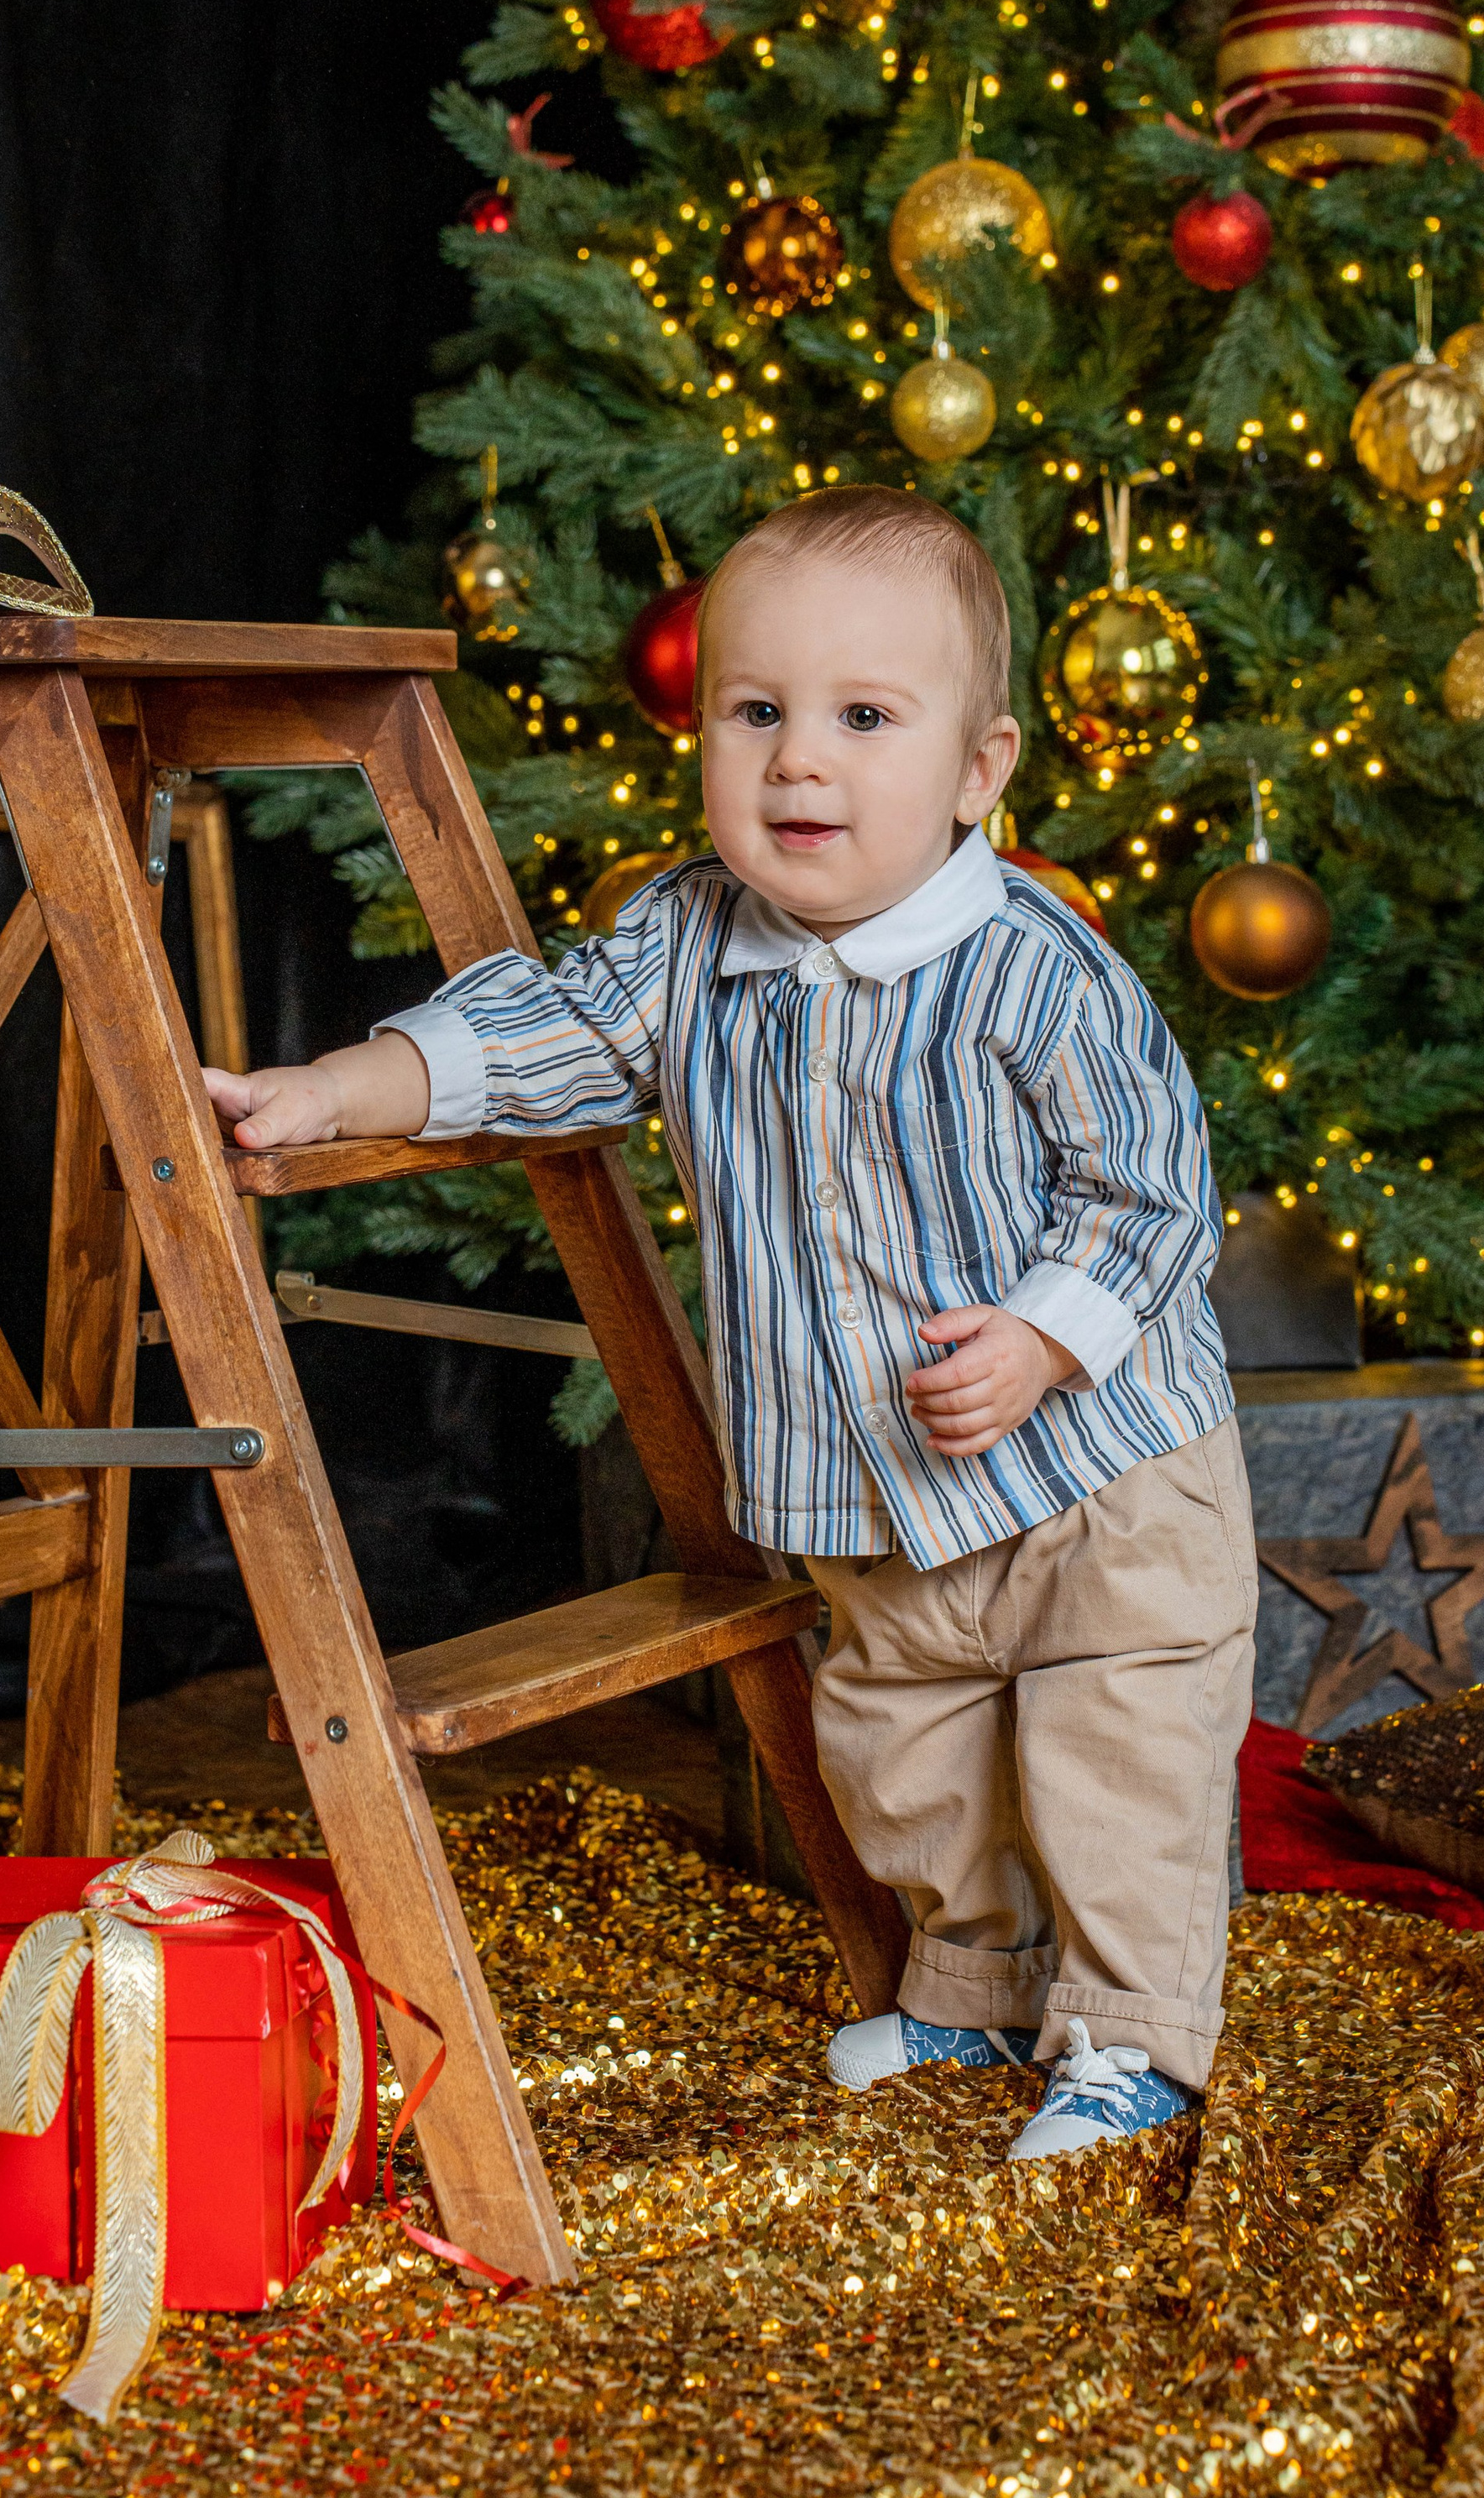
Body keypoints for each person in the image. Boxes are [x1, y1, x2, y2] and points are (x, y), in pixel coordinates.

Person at [206, 485, 1256, 2161]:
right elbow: (543, 1034)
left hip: (1097, 1477)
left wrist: (1046, 1338)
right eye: (754, 713)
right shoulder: (688, 943)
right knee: (904, 1746)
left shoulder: (1034, 967)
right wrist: (337, 1087)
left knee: (1113, 1746)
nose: (798, 765)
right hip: (868, 1486)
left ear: (978, 768)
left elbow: (1152, 1189)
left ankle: (1129, 2038)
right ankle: (972, 1988)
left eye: (863, 720)